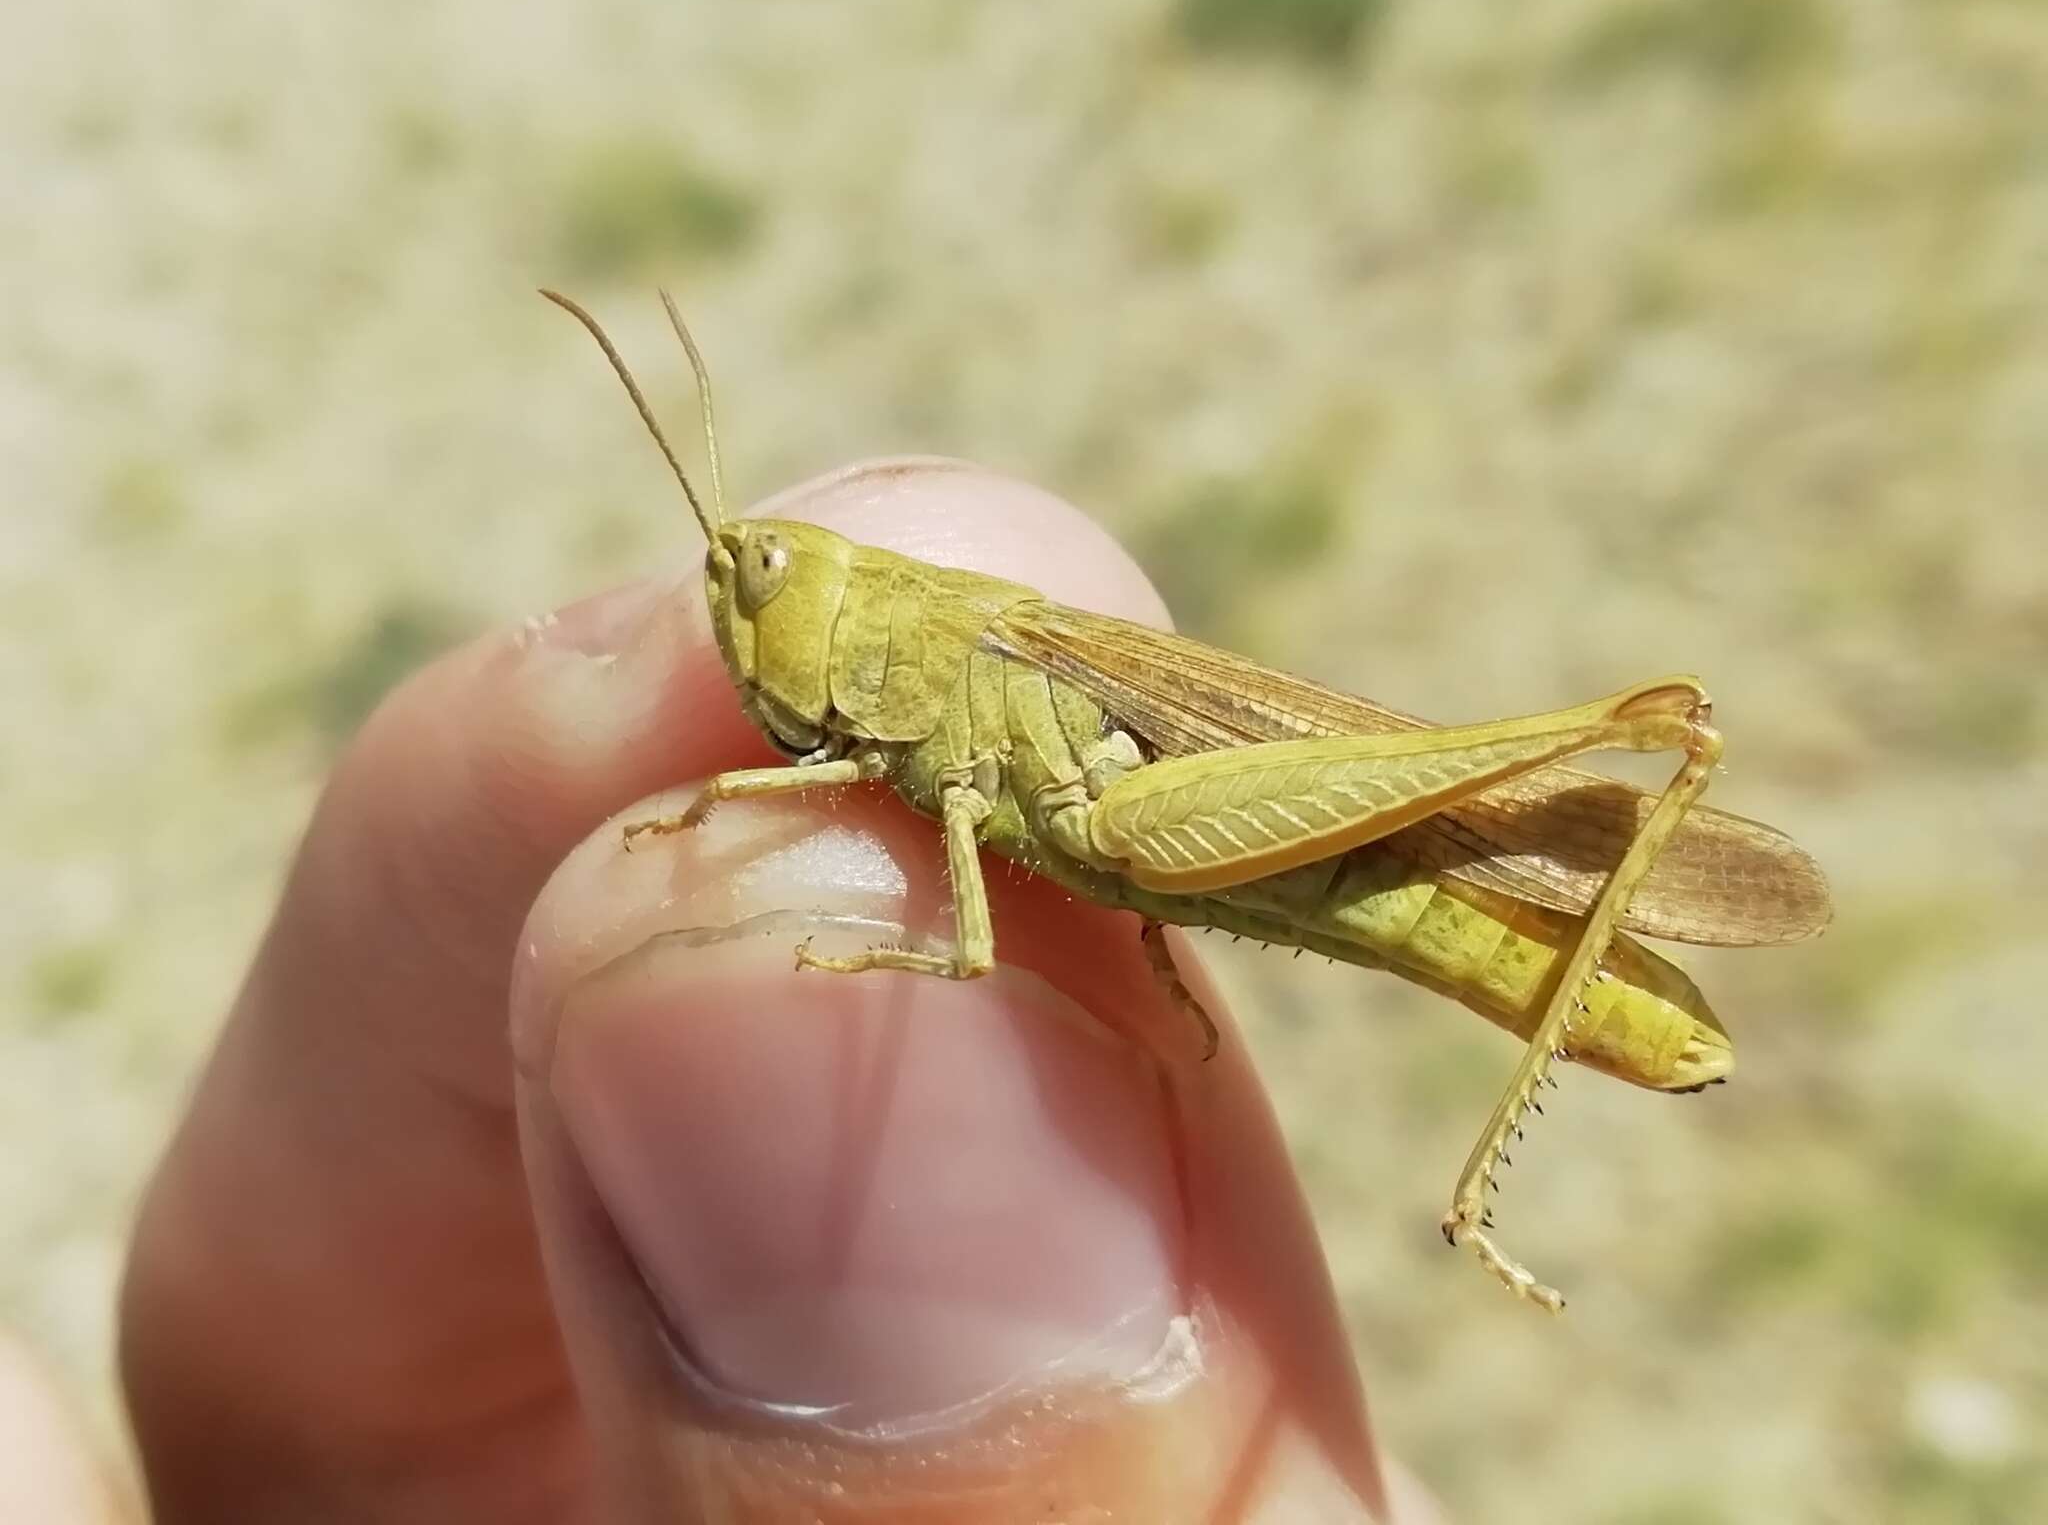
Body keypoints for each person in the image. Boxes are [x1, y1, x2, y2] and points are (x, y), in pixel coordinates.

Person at [100, 461, 1431, 1522]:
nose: (742, 617)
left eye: (771, 580)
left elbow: (1024, 881)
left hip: (1308, 825)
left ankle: (1479, 1181)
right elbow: (1069, 831)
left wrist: (736, 805)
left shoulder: (973, 654)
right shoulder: (918, 712)